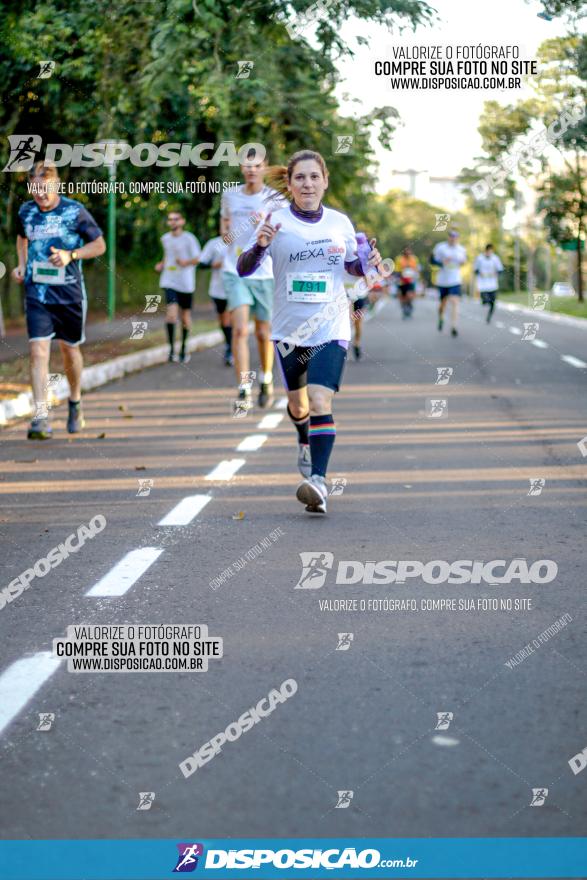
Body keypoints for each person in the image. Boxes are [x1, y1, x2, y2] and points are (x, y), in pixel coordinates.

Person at [237, 150, 383, 514]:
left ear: (325, 180)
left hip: (331, 326)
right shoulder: (274, 220)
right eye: (300, 178)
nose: (307, 184)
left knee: (320, 401)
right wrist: (261, 245)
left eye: (314, 177)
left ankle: (318, 481)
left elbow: (353, 268)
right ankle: (303, 437)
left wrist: (370, 263)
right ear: (289, 184)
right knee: (298, 405)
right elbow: (243, 268)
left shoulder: (339, 223)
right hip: (289, 329)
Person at [12, 161, 106, 440]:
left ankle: (75, 402)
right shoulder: (26, 212)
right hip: (37, 292)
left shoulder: (74, 211)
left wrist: (71, 255)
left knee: (69, 350)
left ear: (57, 186)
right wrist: (21, 264)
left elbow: (99, 245)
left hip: (69, 294)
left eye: (45, 188)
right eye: (35, 188)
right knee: (38, 351)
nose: (39, 194)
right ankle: (40, 416)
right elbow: (21, 238)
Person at [221, 156, 282, 411]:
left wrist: (264, 228)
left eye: (256, 166)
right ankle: (244, 387)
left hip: (265, 273)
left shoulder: (276, 200)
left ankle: (266, 380)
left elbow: (284, 237)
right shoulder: (230, 196)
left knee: (263, 333)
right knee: (239, 331)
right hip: (235, 270)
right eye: (247, 166)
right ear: (241, 169)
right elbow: (225, 236)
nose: (251, 170)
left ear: (264, 168)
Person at [155, 209, 201, 364]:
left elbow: (197, 259)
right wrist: (162, 264)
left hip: (186, 283)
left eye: (176, 219)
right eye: (170, 219)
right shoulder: (165, 239)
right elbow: (167, 255)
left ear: (182, 221)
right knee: (171, 314)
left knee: (185, 318)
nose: (173, 222)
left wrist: (186, 263)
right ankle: (171, 350)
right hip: (169, 280)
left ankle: (183, 348)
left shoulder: (189, 239)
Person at [199, 232, 233, 365]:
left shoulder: (244, 241)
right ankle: (229, 344)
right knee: (224, 320)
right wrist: (214, 265)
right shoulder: (214, 244)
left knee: (233, 319)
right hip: (218, 289)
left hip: (237, 287)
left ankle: (231, 349)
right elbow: (201, 264)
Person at [431, 229, 467, 336]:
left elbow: (464, 262)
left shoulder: (461, 249)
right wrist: (442, 262)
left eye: (455, 236)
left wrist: (462, 262)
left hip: (455, 280)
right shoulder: (440, 247)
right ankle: (441, 318)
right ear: (448, 237)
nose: (453, 238)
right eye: (451, 236)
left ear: (457, 238)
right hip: (442, 280)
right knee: (443, 304)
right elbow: (432, 261)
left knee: (455, 301)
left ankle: (454, 326)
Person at [474, 243, 504, 323]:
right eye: (488, 251)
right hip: (483, 285)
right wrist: (480, 273)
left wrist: (496, 273)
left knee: (493, 303)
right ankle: (483, 300)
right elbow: (475, 270)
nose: (490, 253)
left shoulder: (495, 258)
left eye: (491, 251)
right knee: (485, 301)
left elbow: (500, 270)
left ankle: (489, 317)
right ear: (486, 250)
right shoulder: (480, 258)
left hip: (493, 285)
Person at [395, 246, 420, 319]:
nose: (408, 253)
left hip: (411, 280)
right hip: (402, 280)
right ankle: (404, 309)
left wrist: (415, 274)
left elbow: (417, 269)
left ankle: (409, 306)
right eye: (406, 251)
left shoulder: (414, 259)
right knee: (402, 297)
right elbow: (397, 270)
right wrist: (402, 271)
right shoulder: (399, 259)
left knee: (409, 295)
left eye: (409, 251)